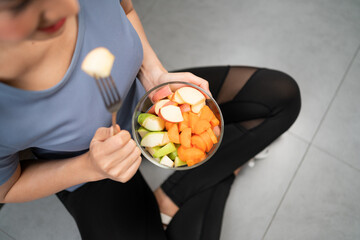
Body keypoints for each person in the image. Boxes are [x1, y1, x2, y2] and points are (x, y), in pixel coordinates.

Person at [0, 0, 301, 239]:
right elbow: (7, 188)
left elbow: (125, 9)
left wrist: (154, 73)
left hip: (150, 105)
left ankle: (171, 197)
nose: (71, 7)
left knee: (281, 98)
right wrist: (89, 166)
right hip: (90, 170)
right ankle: (213, 177)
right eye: (20, 4)